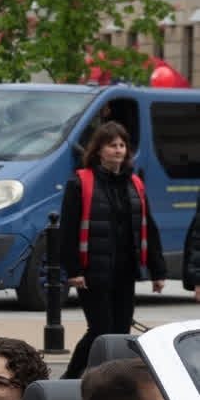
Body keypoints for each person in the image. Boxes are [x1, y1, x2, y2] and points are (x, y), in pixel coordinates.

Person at [61, 122, 165, 379]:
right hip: (93, 272)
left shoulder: (135, 183)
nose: (118, 150)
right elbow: (68, 229)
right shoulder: (81, 182)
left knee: (120, 330)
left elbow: (148, 227)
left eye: (122, 145)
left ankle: (112, 381)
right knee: (100, 329)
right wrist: (74, 270)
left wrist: (157, 271)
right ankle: (71, 377)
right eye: (112, 145)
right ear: (99, 150)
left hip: (125, 270)